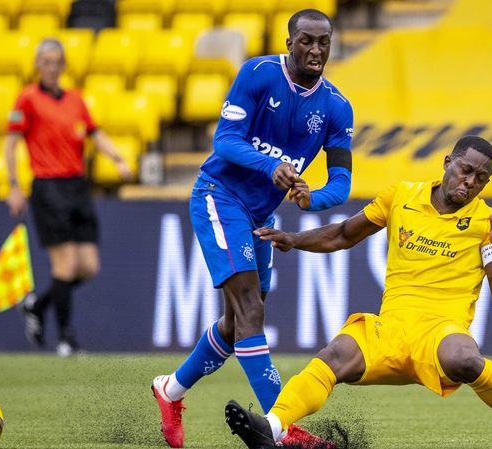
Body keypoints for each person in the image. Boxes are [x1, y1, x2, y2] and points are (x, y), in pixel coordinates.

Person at [225, 135, 492, 449]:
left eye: (481, 178)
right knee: (335, 354)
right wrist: (294, 238)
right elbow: (343, 234)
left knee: (465, 359)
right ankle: (271, 430)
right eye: (466, 170)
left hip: (440, 332)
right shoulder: (401, 197)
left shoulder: (485, 225)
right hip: (389, 331)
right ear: (446, 163)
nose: (470, 182)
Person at [150, 8, 354, 448]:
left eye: (324, 42)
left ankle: (169, 391)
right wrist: (272, 165)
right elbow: (224, 139)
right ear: (289, 43)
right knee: (250, 313)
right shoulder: (258, 74)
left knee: (235, 323)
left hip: (261, 216)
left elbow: (342, 183)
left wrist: (309, 197)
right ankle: (283, 430)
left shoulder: (337, 107)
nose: (316, 50)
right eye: (307, 41)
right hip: (218, 196)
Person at [5, 37, 133, 357]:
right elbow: (10, 143)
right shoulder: (27, 99)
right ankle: (65, 339)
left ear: (63, 65)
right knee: (67, 264)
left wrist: (117, 158)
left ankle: (38, 303)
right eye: (45, 61)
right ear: (37, 65)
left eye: (56, 61)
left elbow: (94, 133)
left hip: (76, 186)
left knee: (88, 266)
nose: (51, 67)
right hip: (48, 187)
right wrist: (13, 185)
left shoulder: (75, 99)